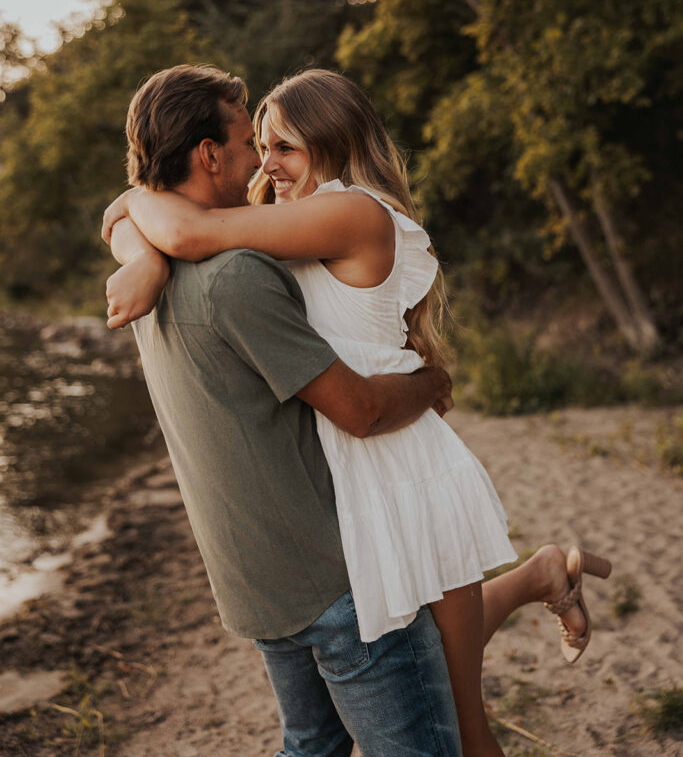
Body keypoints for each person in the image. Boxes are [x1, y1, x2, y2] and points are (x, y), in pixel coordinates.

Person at [104, 66, 611, 757]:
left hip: (395, 462)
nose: (266, 162)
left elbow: (174, 224)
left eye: (285, 146)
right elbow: (140, 213)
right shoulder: (273, 223)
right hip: (352, 466)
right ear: (211, 152)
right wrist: (140, 253)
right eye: (258, 142)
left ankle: (540, 574)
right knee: (430, 663)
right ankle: (540, 573)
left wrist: (145, 242)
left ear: (332, 142)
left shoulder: (347, 212)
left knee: (463, 724)